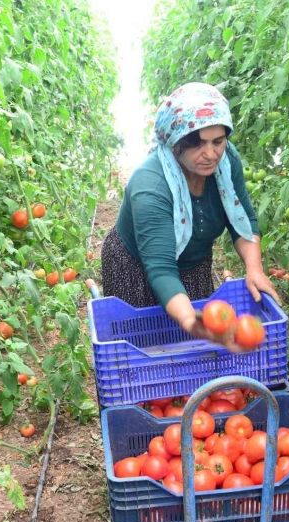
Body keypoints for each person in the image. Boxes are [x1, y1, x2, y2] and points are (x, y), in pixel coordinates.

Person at [101, 82, 279, 351]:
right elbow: (160, 269)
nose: (210, 154)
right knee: (144, 347)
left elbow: (243, 219)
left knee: (191, 349)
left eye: (218, 141)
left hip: (194, 264)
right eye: (197, 144)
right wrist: (188, 318)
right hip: (135, 265)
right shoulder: (151, 185)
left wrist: (254, 268)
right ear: (175, 143)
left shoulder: (226, 161)